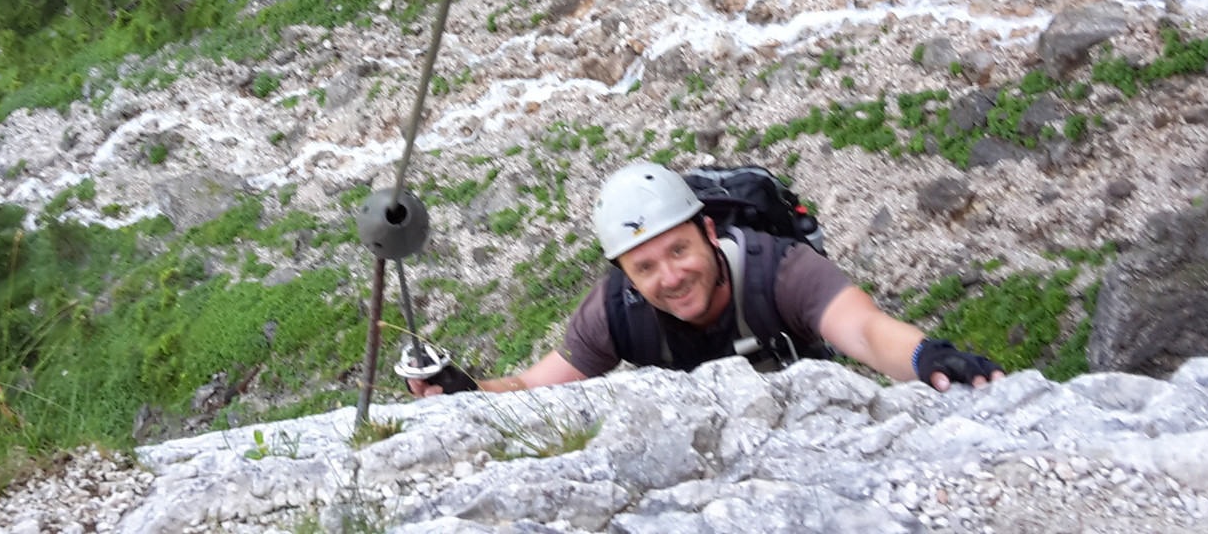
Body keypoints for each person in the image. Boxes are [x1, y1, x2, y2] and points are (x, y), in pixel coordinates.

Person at [410, 161, 1004, 395]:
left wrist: (928, 357)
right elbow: (535, 385)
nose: (671, 276)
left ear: (710, 233)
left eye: (679, 250)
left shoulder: (780, 270)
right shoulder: (613, 310)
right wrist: (467, 392)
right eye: (645, 267)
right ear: (625, 274)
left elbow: (866, 331)